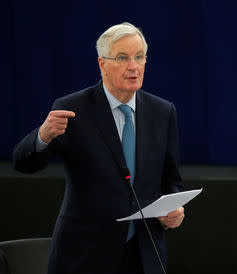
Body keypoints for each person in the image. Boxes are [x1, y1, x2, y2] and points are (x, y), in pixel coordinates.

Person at [12, 22, 184, 274]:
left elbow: (171, 179)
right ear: (102, 64)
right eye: (123, 58)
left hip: (144, 254)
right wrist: (42, 136)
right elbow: (23, 164)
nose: (134, 67)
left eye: (139, 57)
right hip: (85, 254)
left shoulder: (163, 111)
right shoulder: (74, 108)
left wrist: (174, 210)